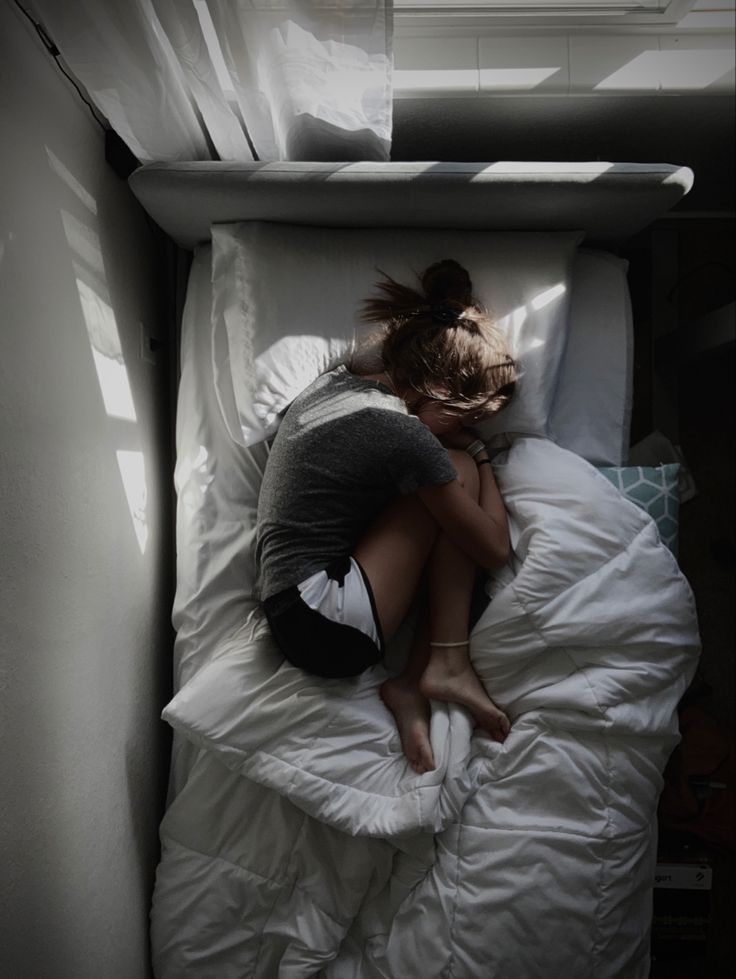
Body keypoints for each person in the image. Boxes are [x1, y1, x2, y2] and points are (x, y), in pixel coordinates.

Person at [255, 259, 517, 774]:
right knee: (456, 470)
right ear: (438, 389)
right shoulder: (401, 433)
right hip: (325, 620)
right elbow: (494, 548)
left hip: (293, 603)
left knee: (440, 481)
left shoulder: (339, 382)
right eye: (463, 417)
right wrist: (480, 454)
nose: (460, 428)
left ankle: (414, 682)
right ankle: (448, 662)